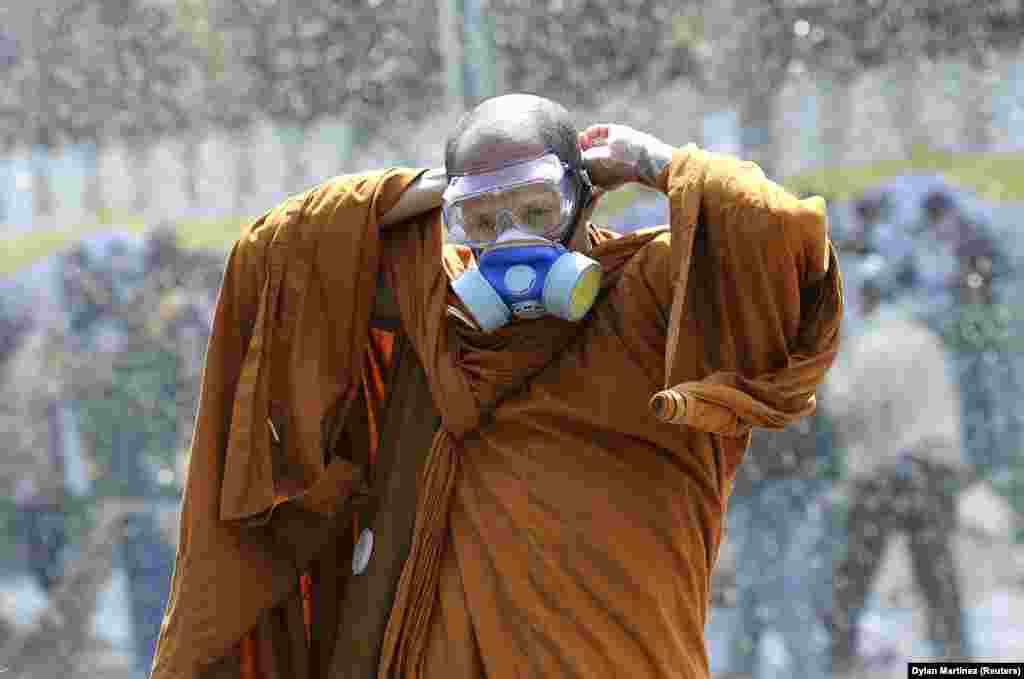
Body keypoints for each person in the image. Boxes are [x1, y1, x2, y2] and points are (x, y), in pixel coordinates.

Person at [149, 93, 842, 679]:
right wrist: (415, 191)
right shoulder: (442, 316)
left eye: (537, 211)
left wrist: (654, 163)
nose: (512, 242)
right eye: (482, 221)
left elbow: (787, 247)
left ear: (583, 196)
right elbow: (273, 262)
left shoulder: (651, 296)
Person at [825, 266, 971, 673]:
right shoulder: (927, 341)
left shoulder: (864, 346)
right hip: (936, 471)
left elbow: (842, 410)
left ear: (865, 299)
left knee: (853, 578)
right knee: (938, 582)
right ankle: (955, 661)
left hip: (884, 476)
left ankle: (838, 661)